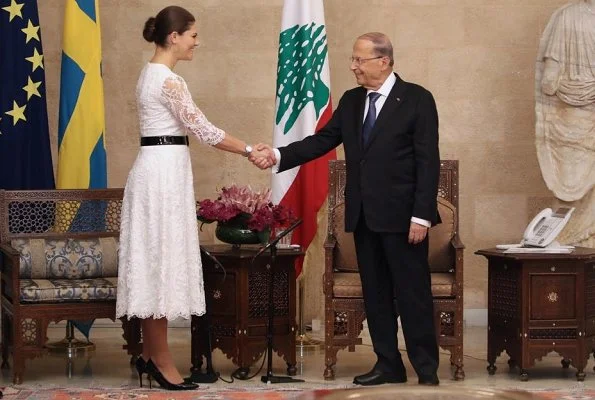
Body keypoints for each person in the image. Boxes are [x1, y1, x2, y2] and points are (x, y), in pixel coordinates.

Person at [252, 32, 441, 386]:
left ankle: (426, 369)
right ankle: (389, 365)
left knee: (413, 294)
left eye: (359, 60)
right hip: (365, 216)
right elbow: (322, 141)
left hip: (404, 219)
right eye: (353, 59)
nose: (353, 66)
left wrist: (422, 215)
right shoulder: (353, 101)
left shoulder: (417, 99)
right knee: (377, 294)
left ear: (382, 62)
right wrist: (278, 155)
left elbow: (427, 161)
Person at [115, 6, 265, 391]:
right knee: (161, 261)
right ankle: (162, 361)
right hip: (162, 174)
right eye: (193, 34)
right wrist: (250, 149)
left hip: (157, 168)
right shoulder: (169, 81)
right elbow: (205, 130)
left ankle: (150, 355)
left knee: (155, 260)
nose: (198, 41)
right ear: (173, 37)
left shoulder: (150, 74)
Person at [535, 0, 595, 247]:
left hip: (578, 110)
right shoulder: (567, 16)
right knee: (571, 179)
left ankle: (587, 235)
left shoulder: (568, 16)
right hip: (574, 113)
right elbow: (549, 80)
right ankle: (574, 237)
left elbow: (550, 78)